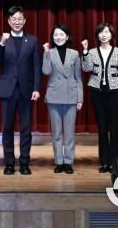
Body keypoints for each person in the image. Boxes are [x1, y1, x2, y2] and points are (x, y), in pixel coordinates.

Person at [0, 5, 41, 175]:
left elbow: (36, 67)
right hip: (8, 90)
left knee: (26, 128)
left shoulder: (33, 40)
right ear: (9, 21)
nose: (17, 22)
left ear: (25, 21)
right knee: (7, 128)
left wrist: (36, 88)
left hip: (26, 91)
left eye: (20, 19)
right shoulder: (1, 39)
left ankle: (25, 163)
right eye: (14, 19)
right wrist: (1, 43)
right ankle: (9, 163)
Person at [82, 22, 118, 173]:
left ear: (112, 35)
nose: (104, 35)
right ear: (97, 35)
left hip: (115, 92)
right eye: (101, 32)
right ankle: (104, 162)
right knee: (102, 128)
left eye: (107, 32)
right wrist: (84, 52)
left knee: (114, 129)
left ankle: (115, 162)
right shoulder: (92, 52)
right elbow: (86, 68)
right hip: (97, 92)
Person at [42, 24, 83, 174]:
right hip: (54, 96)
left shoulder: (75, 53)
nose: (58, 37)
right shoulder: (50, 52)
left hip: (71, 96)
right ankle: (59, 162)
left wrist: (80, 98)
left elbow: (78, 77)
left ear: (67, 36)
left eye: (61, 34)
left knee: (69, 132)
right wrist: (46, 53)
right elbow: (46, 71)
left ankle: (68, 162)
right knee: (57, 132)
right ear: (52, 37)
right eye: (55, 35)